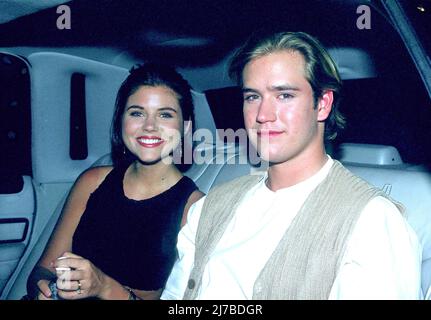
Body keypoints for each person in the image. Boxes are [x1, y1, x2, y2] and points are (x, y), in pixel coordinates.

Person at [161, 31, 423, 300]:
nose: (263, 115)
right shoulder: (209, 208)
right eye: (252, 97)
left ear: (322, 104)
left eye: (284, 95)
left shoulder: (372, 222)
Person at [26, 63, 204, 300]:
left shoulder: (194, 208)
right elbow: (44, 268)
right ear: (121, 122)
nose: (149, 126)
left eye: (165, 114)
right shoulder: (92, 181)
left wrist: (104, 287)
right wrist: (44, 287)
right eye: (137, 113)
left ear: (186, 126)